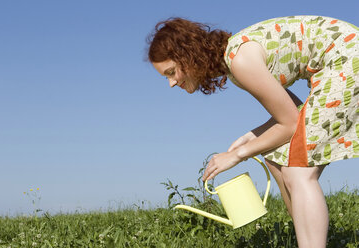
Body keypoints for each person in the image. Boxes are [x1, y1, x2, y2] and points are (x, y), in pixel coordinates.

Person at [147, 15, 359, 248]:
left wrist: (238, 155)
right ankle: (308, 238)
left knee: (298, 172)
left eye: (171, 72)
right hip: (344, 56)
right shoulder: (234, 61)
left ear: (187, 58)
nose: (171, 83)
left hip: (347, 58)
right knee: (275, 157)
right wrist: (251, 137)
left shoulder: (240, 62)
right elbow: (292, 111)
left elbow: (289, 123)